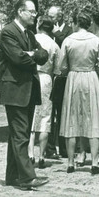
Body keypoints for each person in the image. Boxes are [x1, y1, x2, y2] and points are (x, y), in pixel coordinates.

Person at [0, 0, 49, 189]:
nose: (35, 15)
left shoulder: (28, 34)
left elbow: (44, 55)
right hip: (15, 91)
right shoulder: (8, 33)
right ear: (20, 11)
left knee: (18, 135)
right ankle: (27, 177)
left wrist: (31, 54)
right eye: (32, 11)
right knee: (21, 135)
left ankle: (12, 177)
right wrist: (30, 55)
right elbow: (18, 59)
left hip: (26, 90)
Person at [58, 9, 99, 175]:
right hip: (91, 79)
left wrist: (71, 69)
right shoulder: (96, 40)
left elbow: (62, 66)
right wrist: (92, 68)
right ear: (89, 23)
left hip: (73, 79)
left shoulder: (68, 40)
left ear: (77, 23)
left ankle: (71, 162)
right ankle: (94, 162)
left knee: (71, 120)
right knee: (92, 118)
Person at [76, 6, 99, 166]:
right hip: (84, 81)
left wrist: (93, 70)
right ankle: (82, 151)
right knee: (82, 115)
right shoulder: (83, 37)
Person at [28, 15, 61, 169]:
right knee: (45, 118)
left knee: (30, 117)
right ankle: (42, 155)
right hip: (47, 79)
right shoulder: (54, 45)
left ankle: (30, 154)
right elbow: (58, 69)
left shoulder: (30, 39)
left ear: (39, 24)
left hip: (31, 77)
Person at [47, 5, 72, 159]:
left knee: (63, 114)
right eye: (48, 16)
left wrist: (58, 34)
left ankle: (64, 148)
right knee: (50, 113)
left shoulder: (69, 31)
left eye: (52, 16)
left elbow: (69, 46)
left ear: (60, 17)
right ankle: (49, 148)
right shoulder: (47, 31)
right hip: (51, 78)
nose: (50, 19)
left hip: (64, 78)